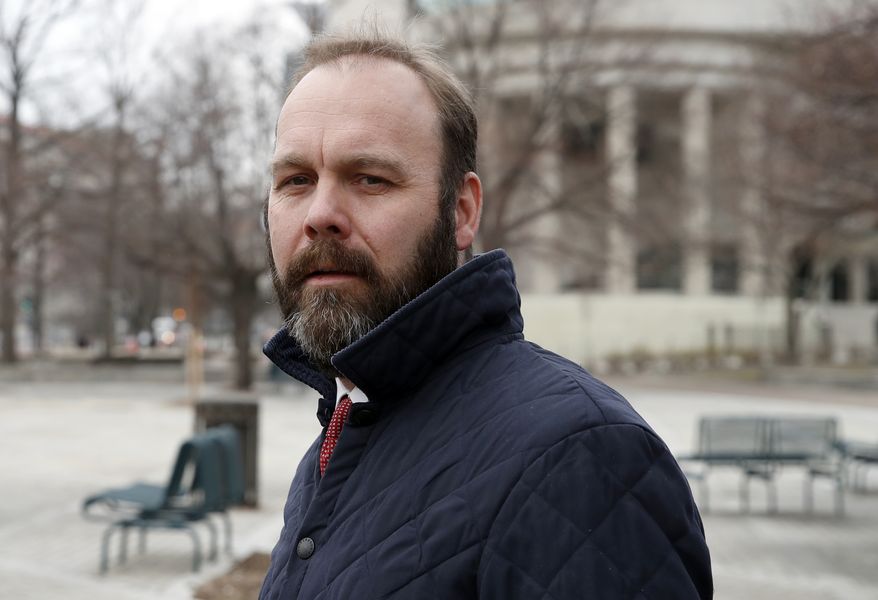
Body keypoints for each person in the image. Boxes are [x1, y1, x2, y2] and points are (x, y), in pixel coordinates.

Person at [261, 30, 712, 600]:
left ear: (462, 212)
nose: (320, 213)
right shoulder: (342, 437)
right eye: (295, 180)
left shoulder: (581, 456)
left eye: (369, 178)